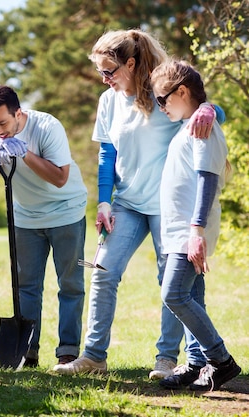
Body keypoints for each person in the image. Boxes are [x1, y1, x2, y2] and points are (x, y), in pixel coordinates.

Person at [53, 29, 217, 378]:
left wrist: (210, 108)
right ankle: (94, 356)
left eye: (109, 71)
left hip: (168, 205)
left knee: (171, 283)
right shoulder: (108, 101)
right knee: (103, 273)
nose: (103, 78)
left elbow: (200, 107)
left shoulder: (162, 92)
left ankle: (167, 359)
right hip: (126, 202)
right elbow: (106, 153)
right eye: (100, 71)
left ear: (131, 63)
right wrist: (103, 202)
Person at [0, 85, 88, 367]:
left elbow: (60, 177)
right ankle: (27, 351)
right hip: (25, 217)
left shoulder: (47, 127)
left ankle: (68, 351)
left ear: (19, 113)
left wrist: (25, 154)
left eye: (3, 123)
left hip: (66, 212)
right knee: (26, 286)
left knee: (70, 285)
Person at [151, 60, 240, 391]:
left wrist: (196, 232)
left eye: (163, 100)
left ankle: (220, 360)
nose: (161, 107)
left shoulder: (202, 127)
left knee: (173, 293)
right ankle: (197, 362)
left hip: (190, 232)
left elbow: (207, 180)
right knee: (192, 297)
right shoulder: (190, 123)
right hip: (179, 231)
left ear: (182, 91)